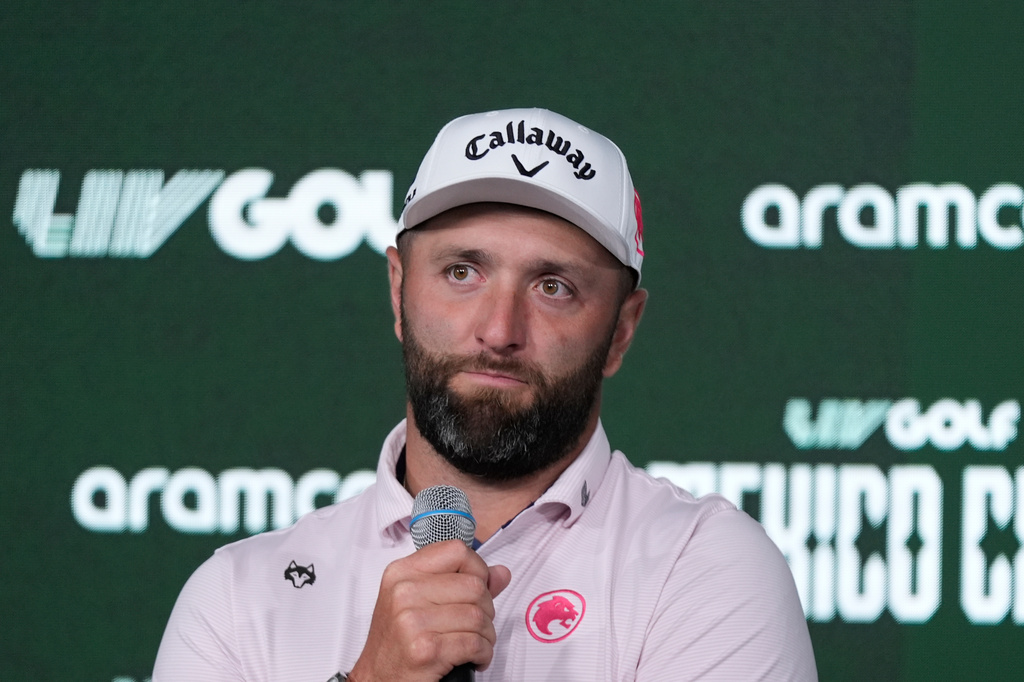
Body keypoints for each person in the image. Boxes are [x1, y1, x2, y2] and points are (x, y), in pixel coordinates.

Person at [153, 107, 817, 681]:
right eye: (462, 271)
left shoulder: (703, 570)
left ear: (621, 330)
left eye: (553, 286)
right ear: (397, 289)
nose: (499, 330)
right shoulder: (238, 599)